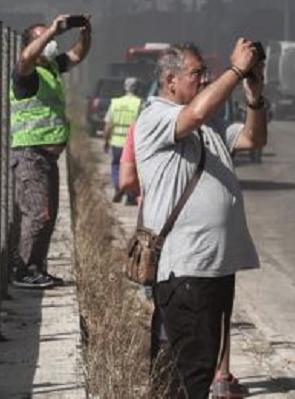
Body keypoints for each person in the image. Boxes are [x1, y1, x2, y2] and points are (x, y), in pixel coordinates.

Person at [134, 40, 267, 397]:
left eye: (207, 73)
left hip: (215, 268)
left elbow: (254, 138)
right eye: (197, 73)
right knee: (191, 372)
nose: (206, 80)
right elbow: (193, 115)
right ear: (170, 80)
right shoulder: (156, 116)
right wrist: (236, 70)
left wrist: (254, 94)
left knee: (194, 368)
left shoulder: (209, 130)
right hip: (187, 269)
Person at [9, 13, 91, 289]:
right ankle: (23, 270)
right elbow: (25, 58)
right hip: (30, 154)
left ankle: (36, 267)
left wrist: (85, 32)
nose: (52, 42)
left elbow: (78, 56)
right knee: (37, 214)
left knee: (48, 214)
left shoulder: (51, 68)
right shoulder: (25, 73)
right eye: (44, 38)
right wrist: (52, 31)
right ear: (34, 44)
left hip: (48, 157)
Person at [103, 76, 143, 205]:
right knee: (133, 169)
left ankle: (118, 187)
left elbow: (108, 125)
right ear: (137, 88)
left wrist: (106, 140)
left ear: (124, 88)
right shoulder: (140, 103)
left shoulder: (115, 103)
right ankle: (131, 197)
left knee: (116, 166)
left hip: (116, 142)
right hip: (133, 144)